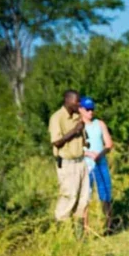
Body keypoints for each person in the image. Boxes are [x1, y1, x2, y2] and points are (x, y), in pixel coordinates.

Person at [48, 89, 90, 227]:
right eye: (76, 101)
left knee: (83, 198)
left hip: (81, 161)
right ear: (68, 100)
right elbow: (56, 142)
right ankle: (61, 232)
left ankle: (79, 236)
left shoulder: (77, 116)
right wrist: (74, 131)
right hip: (67, 163)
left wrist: (85, 140)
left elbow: (83, 137)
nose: (79, 104)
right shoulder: (57, 118)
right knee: (68, 197)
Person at [78, 97, 114, 235]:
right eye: (87, 109)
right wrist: (87, 153)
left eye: (92, 108)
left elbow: (109, 143)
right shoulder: (78, 125)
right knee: (85, 197)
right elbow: (75, 147)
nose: (90, 112)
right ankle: (85, 229)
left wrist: (101, 153)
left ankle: (109, 225)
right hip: (86, 166)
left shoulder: (99, 124)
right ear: (80, 109)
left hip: (101, 164)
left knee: (106, 195)